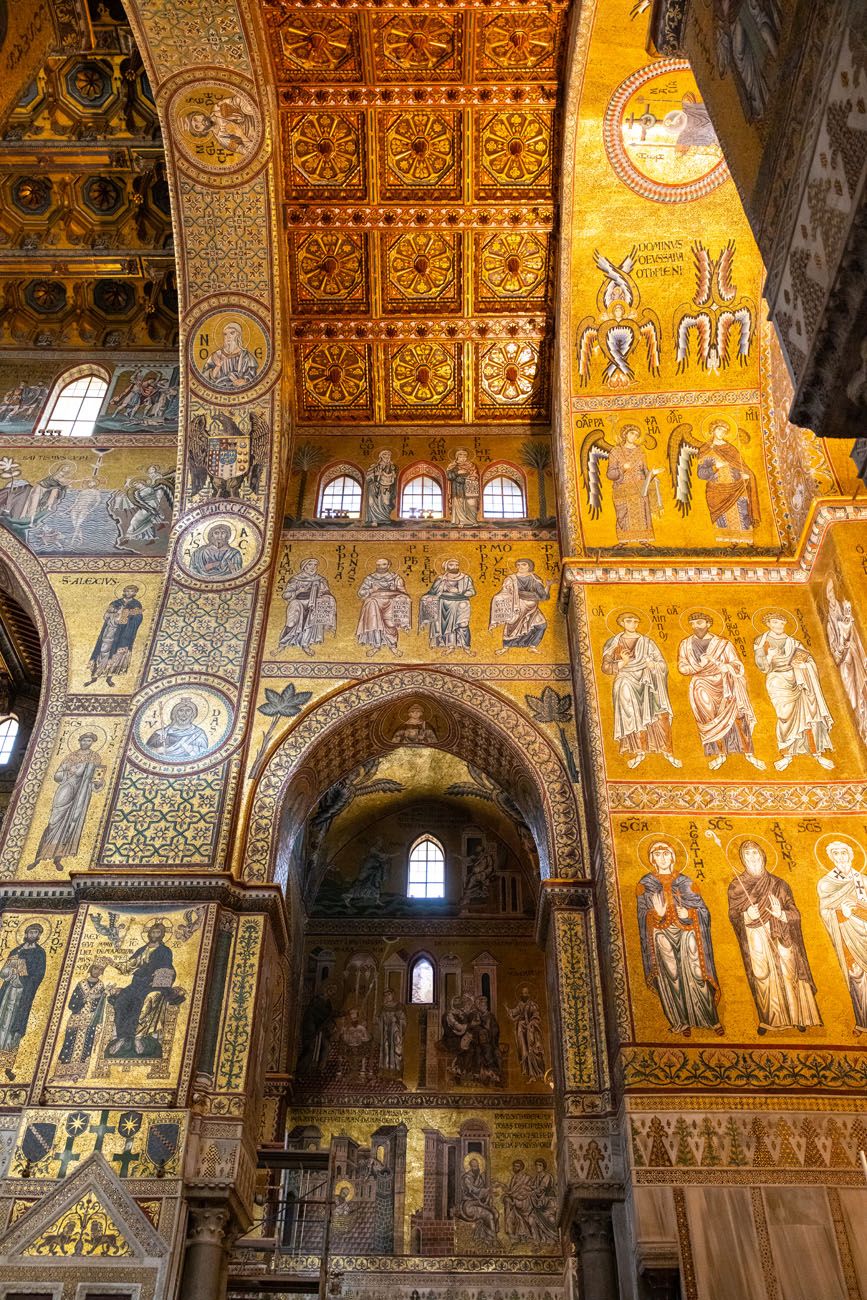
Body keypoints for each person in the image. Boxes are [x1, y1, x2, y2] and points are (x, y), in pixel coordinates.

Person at [727, 840, 821, 1033]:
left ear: (763, 855)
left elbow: (796, 914)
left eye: (755, 853)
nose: (752, 857)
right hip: (754, 935)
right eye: (748, 854)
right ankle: (771, 1019)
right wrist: (746, 915)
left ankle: (798, 1017)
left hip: (781, 934)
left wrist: (781, 914)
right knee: (763, 975)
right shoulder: (736, 886)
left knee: (789, 973)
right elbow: (733, 915)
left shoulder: (779, 884)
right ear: (743, 860)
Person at [636, 840, 724, 1036]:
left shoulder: (685, 882)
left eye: (666, 853)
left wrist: (690, 914)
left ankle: (709, 1019)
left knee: (696, 972)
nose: (662, 858)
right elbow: (642, 914)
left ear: (673, 857)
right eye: (657, 854)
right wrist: (655, 914)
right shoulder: (645, 884)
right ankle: (681, 1021)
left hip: (687, 932)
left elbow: (703, 911)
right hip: (661, 935)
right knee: (671, 976)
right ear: (652, 859)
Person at [677, 611, 765, 771]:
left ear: (708, 624)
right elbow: (682, 668)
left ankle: (748, 754)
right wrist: (699, 665)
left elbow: (737, 664)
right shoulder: (685, 644)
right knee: (710, 719)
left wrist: (726, 666)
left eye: (699, 623)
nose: (696, 626)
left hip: (725, 683)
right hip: (701, 685)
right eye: (693, 624)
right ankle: (720, 755)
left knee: (737, 716)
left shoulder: (723, 644)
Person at [753, 611, 834, 770]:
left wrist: (804, 665)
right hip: (777, 680)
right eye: (775, 622)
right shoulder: (761, 641)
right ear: (768, 624)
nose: (779, 626)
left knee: (809, 714)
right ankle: (787, 755)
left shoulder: (793, 642)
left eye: (782, 623)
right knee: (785, 716)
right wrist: (769, 657)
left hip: (798, 679)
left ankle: (816, 753)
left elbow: (807, 658)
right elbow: (762, 666)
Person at [600, 613, 681, 769]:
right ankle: (639, 751)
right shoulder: (613, 642)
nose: (633, 624)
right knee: (632, 715)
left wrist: (653, 665)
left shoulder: (648, 643)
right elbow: (606, 667)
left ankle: (667, 751)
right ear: (622, 622)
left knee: (659, 714)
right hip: (625, 678)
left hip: (648, 678)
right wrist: (623, 663)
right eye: (629, 621)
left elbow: (662, 664)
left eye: (636, 621)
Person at [106, 921, 185, 1058]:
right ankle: (122, 1037)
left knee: (148, 1000)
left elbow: (167, 969)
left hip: (155, 985)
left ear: (162, 935)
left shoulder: (165, 951)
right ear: (149, 934)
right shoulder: (142, 950)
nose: (154, 935)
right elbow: (128, 967)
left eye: (158, 933)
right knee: (122, 1001)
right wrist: (113, 963)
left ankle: (138, 1037)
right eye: (153, 932)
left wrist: (160, 975)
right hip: (137, 984)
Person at [28, 734, 106, 871]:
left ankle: (58, 857)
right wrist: (68, 771)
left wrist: (98, 783)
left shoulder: (95, 758)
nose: (86, 742)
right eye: (83, 740)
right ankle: (38, 857)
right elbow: (57, 776)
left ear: (92, 742)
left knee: (73, 822)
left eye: (89, 740)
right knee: (53, 821)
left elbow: (97, 779)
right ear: (79, 740)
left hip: (81, 795)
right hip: (66, 790)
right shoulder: (70, 757)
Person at [817, 839, 867, 1033]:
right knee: (857, 975)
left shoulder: (863, 880)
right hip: (846, 934)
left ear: (851, 854)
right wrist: (842, 914)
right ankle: (863, 1022)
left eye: (843, 852)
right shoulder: (826, 884)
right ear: (830, 857)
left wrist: (858, 910)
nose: (840, 857)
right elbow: (825, 911)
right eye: (835, 853)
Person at [695, 420, 760, 535]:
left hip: (736, 488)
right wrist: (715, 467)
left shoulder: (731, 449)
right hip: (717, 491)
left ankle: (748, 543)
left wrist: (745, 475)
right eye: (719, 429)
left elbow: (741, 466)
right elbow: (701, 474)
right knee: (724, 517)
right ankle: (731, 542)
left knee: (742, 513)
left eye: (724, 431)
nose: (721, 433)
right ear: (713, 430)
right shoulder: (706, 449)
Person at [0, 923, 46, 1079]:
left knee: (14, 1027)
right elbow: (4, 970)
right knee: (2, 1022)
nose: (33, 934)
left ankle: (7, 1065)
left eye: (36, 932)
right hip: (8, 992)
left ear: (38, 935)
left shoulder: (40, 953)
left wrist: (22, 978)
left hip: (23, 994)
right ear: (26, 933)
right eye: (30, 932)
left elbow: (39, 975)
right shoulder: (16, 950)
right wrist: (9, 973)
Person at [825, 577, 867, 745]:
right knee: (854, 695)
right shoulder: (830, 623)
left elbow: (851, 635)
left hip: (854, 657)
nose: (832, 598)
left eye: (832, 594)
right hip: (846, 664)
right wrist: (844, 645)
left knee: (861, 689)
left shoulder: (846, 613)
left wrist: (847, 622)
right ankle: (861, 723)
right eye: (829, 596)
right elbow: (837, 652)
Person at [606, 424, 663, 543]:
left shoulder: (640, 452)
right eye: (631, 433)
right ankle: (623, 541)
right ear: (625, 434)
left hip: (639, 488)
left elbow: (645, 471)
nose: (634, 436)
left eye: (636, 435)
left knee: (642, 514)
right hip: (623, 488)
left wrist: (654, 473)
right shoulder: (615, 451)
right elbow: (610, 474)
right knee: (623, 515)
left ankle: (643, 540)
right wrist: (622, 468)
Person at [85, 585, 144, 687]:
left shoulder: (136, 604)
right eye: (127, 591)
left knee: (116, 655)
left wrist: (125, 615)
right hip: (110, 631)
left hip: (123, 635)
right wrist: (115, 614)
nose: (129, 593)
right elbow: (106, 616)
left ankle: (109, 678)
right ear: (124, 591)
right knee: (103, 652)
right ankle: (94, 677)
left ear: (135, 593)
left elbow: (138, 618)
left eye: (132, 591)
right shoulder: (115, 603)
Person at [489, 559, 551, 654]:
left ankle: (532, 646)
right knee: (512, 627)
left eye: (523, 564)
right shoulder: (511, 579)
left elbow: (543, 596)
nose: (520, 567)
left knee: (541, 625)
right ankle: (505, 647)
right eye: (518, 565)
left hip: (532, 608)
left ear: (529, 566)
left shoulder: (534, 578)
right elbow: (505, 592)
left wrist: (548, 586)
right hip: (518, 606)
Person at [279, 558, 336, 657]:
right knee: (292, 620)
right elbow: (285, 595)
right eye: (310, 565)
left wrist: (324, 596)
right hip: (298, 601)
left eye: (315, 565)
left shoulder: (320, 580)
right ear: (304, 566)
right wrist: (298, 591)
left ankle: (305, 644)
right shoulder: (295, 579)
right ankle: (283, 643)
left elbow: (327, 592)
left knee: (314, 615)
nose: (313, 567)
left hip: (313, 603)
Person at [108, 464, 174, 548]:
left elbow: (141, 498)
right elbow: (136, 497)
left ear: (142, 483)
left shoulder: (148, 489)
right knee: (146, 522)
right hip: (148, 507)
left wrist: (130, 492)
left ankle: (127, 537)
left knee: (135, 521)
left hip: (150, 507)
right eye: (135, 485)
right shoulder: (140, 491)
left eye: (136, 484)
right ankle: (151, 538)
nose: (136, 486)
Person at [419, 558, 476, 655]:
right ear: (446, 566)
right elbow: (432, 592)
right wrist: (429, 597)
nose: (455, 567)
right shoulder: (441, 579)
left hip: (461, 604)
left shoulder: (465, 578)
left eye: (456, 565)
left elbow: (472, 591)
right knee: (447, 627)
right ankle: (451, 646)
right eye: (452, 565)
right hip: (444, 603)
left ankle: (466, 647)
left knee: (463, 624)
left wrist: (458, 592)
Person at [355, 559, 410, 658]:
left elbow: (404, 593)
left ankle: (393, 646)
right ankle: (376, 646)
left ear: (389, 565)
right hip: (375, 602)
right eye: (378, 565)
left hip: (391, 603)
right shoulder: (370, 578)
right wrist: (372, 589)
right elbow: (360, 593)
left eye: (384, 564)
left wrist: (401, 597)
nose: (381, 567)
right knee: (375, 622)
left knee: (390, 624)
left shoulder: (396, 578)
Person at [57, 963, 107, 1069]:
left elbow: (101, 1006)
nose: (97, 971)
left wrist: (102, 996)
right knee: (68, 1043)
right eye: (95, 968)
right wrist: (84, 1000)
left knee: (86, 1045)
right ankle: (61, 1071)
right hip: (76, 1018)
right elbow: (72, 1004)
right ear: (90, 969)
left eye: (100, 970)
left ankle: (79, 1072)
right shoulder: (81, 984)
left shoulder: (101, 986)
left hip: (90, 1020)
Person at [144, 698, 210, 761]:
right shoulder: (160, 733)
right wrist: (156, 750)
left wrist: (190, 749)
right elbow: (146, 751)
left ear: (193, 714)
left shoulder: (198, 733)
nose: (184, 714)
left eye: (188, 711)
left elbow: (204, 755)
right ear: (175, 713)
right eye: (181, 710)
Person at [200, 321, 259, 390]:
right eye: (225, 334)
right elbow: (204, 378)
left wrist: (244, 382)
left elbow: (252, 377)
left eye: (232, 333)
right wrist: (217, 367)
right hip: (220, 390)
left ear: (238, 335)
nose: (228, 336)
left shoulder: (246, 356)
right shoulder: (217, 355)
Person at [507, 986, 545, 1081]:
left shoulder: (533, 1005)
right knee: (524, 1050)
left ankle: (538, 1072)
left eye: (525, 993)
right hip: (522, 1030)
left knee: (533, 1049)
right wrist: (508, 1009)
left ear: (528, 994)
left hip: (531, 1031)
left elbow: (536, 1017)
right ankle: (530, 1073)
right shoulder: (520, 1005)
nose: (524, 995)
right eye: (522, 993)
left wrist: (531, 1024)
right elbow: (514, 1012)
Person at [458, 1157, 499, 1246]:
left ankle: (488, 1238)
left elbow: (483, 1193)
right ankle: (494, 1239)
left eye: (477, 1166)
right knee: (489, 1215)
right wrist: (486, 1191)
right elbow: (473, 1190)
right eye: (474, 1166)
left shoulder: (479, 1178)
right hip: (468, 1205)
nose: (476, 1168)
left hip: (478, 1203)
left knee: (495, 1213)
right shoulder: (466, 1178)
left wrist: (489, 1194)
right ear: (470, 1167)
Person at [500, 1160, 536, 1244]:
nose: (515, 1168)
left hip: (524, 1201)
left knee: (518, 1215)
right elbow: (511, 1191)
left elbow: (528, 1190)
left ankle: (524, 1236)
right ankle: (517, 1236)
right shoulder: (514, 1178)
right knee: (513, 1213)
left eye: (517, 1166)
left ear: (521, 1167)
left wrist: (514, 1195)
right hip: (516, 1200)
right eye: (514, 1166)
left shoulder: (526, 1178)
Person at [446, 448, 480, 525]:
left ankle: (473, 521)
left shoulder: (471, 465)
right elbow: (449, 476)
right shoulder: (452, 466)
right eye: (461, 457)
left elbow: (475, 475)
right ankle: (461, 521)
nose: (463, 458)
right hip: (458, 488)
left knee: (471, 503)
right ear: (457, 457)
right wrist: (457, 473)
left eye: (465, 457)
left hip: (469, 487)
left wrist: (472, 477)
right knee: (459, 503)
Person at [363, 451, 397, 526]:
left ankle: (385, 518)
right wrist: (376, 475)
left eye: (389, 455)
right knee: (373, 503)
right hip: (375, 487)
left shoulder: (392, 467)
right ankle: (374, 519)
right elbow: (368, 478)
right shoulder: (375, 466)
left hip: (386, 487)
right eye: (385, 455)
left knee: (386, 502)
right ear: (381, 456)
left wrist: (391, 475)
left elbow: (394, 479)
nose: (387, 456)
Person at [529, 1158, 558, 1244]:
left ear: (543, 1167)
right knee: (531, 1219)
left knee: (551, 1219)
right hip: (539, 1203)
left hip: (548, 1203)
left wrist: (533, 1191)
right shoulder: (536, 1177)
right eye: (537, 1165)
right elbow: (532, 1186)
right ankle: (537, 1240)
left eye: (540, 1165)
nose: (538, 1167)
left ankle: (552, 1239)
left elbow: (542, 1188)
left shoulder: (547, 1176)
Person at [378, 988, 406, 1074]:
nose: (387, 997)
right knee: (386, 1048)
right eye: (385, 995)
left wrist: (396, 1020)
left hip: (395, 1031)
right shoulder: (383, 1007)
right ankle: (386, 1069)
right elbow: (379, 1019)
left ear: (393, 995)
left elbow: (403, 1019)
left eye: (389, 994)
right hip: (386, 1031)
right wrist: (381, 1020)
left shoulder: (399, 1006)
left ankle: (397, 1069)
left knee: (396, 1049)